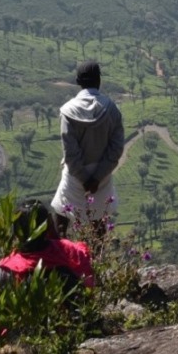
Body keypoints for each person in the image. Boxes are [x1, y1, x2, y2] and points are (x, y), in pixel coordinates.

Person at [51, 60, 124, 231]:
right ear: (99, 80)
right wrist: (96, 178)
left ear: (78, 82)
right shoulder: (112, 109)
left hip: (75, 176)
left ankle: (57, 254)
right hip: (102, 176)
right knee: (99, 220)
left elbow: (70, 152)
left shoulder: (68, 111)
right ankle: (97, 257)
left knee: (61, 215)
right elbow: (116, 149)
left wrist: (84, 178)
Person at [0, 201, 95, 290]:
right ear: (48, 225)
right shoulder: (71, 250)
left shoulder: (9, 268)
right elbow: (88, 281)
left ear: (16, 232)